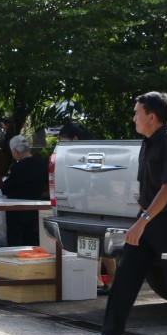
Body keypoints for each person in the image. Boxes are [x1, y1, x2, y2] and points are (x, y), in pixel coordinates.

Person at [77, 92, 167, 335]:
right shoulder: (147, 142)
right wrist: (141, 218)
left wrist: (142, 220)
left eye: (137, 112)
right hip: (148, 220)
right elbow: (149, 188)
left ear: (151, 117)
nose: (133, 117)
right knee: (125, 277)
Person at [58, 122, 117, 295]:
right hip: (96, 203)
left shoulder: (84, 155)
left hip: (91, 204)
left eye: (64, 140)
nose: (61, 144)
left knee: (93, 241)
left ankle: (99, 280)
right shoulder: (95, 152)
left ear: (75, 139)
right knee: (98, 242)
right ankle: (107, 279)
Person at [0, 134, 49, 246]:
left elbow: (5, 189)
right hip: (36, 208)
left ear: (15, 151)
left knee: (16, 242)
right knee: (33, 240)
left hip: (17, 210)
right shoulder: (42, 163)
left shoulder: (19, 167)